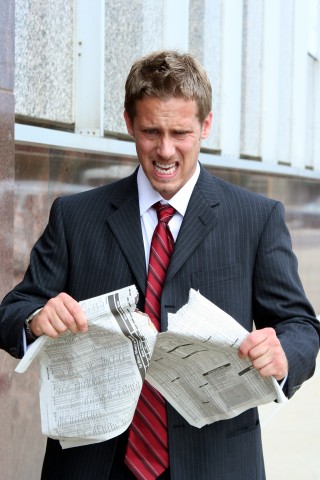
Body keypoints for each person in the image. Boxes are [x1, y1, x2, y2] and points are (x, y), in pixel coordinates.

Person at [0, 50, 319, 480]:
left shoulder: (257, 218)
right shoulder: (75, 216)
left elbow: (300, 325)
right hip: (93, 463)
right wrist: (37, 318)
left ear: (206, 125)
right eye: (151, 131)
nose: (165, 150)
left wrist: (285, 355)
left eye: (180, 132)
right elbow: (13, 310)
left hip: (216, 461)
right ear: (129, 123)